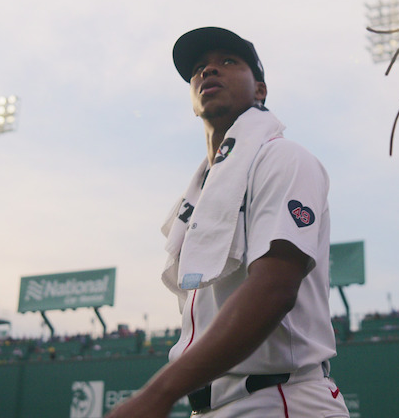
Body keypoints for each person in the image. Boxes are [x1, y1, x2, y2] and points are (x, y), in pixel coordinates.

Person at [108, 27, 347, 417]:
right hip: (213, 406)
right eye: (199, 68)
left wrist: (159, 393)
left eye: (228, 62)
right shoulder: (201, 195)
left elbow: (274, 289)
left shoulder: (283, 158)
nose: (209, 71)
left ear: (260, 90)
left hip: (280, 398)